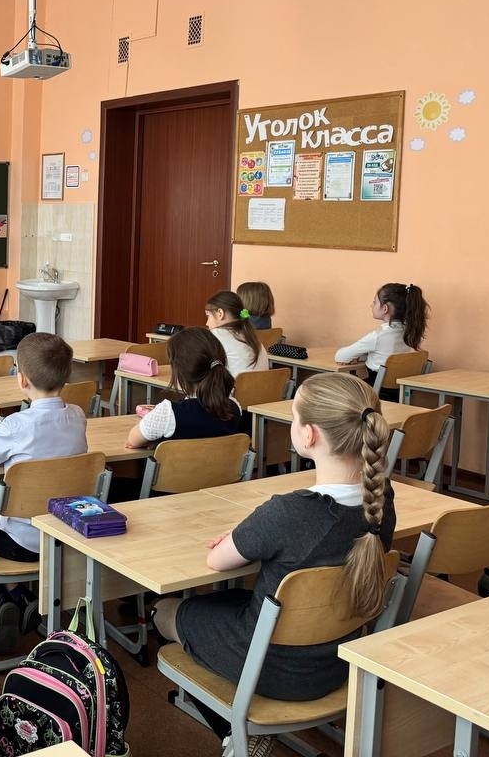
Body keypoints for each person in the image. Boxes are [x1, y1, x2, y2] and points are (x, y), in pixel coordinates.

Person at [152, 373, 395, 726]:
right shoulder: (381, 501)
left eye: (294, 416)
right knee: (234, 599)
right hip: (339, 661)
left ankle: (231, 729)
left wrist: (245, 531)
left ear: (309, 434)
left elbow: (216, 560)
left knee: (165, 610)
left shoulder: (289, 512)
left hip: (268, 666)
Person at [0, 332, 87, 652]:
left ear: (22, 379)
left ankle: (13, 593)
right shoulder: (78, 416)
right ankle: (19, 597)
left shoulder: (14, 425)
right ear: (66, 377)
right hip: (66, 536)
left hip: (20, 543)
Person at [126, 327, 244, 449]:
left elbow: (133, 440)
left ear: (179, 371)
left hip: (174, 462)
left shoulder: (168, 413)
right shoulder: (234, 407)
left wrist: (155, 423)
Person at [335, 283, 429, 397]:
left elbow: (340, 357)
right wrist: (361, 357)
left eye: (375, 302)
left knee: (338, 388)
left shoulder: (377, 336)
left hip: (375, 393)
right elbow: (383, 355)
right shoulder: (410, 333)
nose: (371, 305)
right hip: (401, 395)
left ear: (385, 308)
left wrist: (354, 357)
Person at [204, 290, 268, 377]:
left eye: (208, 316)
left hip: (234, 386)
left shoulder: (216, 334)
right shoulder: (253, 338)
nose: (207, 323)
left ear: (220, 313)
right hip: (263, 385)